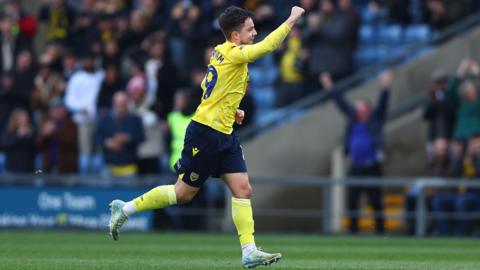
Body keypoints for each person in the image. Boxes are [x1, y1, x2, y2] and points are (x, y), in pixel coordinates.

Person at [108, 6, 305, 268]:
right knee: (183, 194)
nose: (255, 32)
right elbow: (267, 47)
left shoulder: (221, 52)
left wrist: (232, 109)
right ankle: (125, 209)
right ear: (235, 36)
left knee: (243, 189)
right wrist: (291, 18)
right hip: (206, 134)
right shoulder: (235, 54)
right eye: (250, 29)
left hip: (225, 133)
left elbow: (207, 87)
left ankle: (249, 250)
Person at [322, 70, 393, 234]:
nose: (358, 110)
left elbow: (383, 104)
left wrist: (386, 86)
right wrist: (329, 86)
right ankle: (353, 231)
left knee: (376, 201)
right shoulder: (353, 119)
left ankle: (381, 232)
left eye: (361, 107)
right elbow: (341, 103)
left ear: (368, 109)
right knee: (352, 200)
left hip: (372, 166)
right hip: (356, 166)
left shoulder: (375, 119)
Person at [95, 92, 145, 177]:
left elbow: (141, 137)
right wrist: (107, 142)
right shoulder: (104, 120)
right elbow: (96, 138)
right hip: (109, 166)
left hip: (129, 167)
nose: (121, 107)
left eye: (123, 103)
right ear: (114, 104)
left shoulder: (135, 119)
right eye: (119, 104)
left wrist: (127, 138)